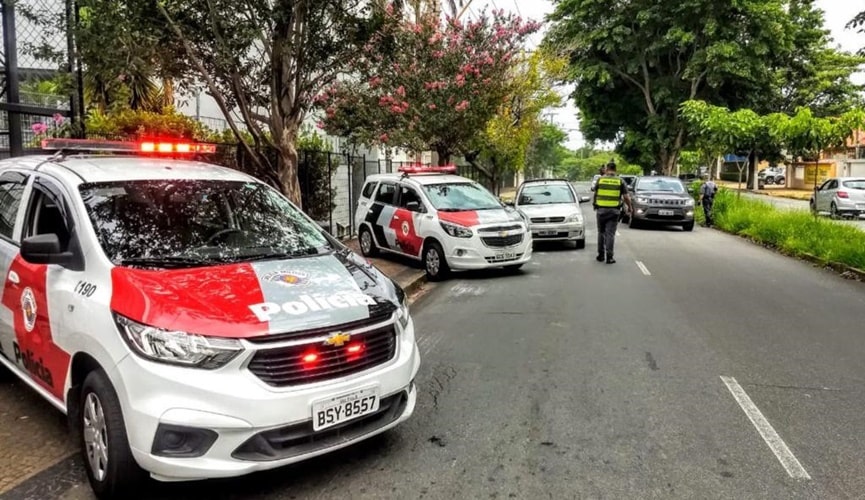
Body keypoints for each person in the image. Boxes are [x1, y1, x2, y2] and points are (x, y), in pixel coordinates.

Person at [592, 160, 632, 264]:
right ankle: (609, 257)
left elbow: (595, 193)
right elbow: (626, 197)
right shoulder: (620, 181)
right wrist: (630, 207)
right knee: (610, 234)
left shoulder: (600, 180)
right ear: (615, 170)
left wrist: (594, 204)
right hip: (614, 211)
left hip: (601, 210)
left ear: (607, 169)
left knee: (601, 232)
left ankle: (600, 255)